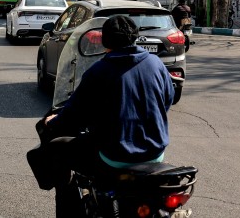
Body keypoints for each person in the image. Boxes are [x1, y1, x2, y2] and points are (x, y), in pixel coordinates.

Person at [30, 15, 175, 217]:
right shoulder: (156, 64)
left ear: (104, 41)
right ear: (135, 38)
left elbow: (74, 114)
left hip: (114, 156)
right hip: (155, 152)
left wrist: (55, 121)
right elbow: (167, 99)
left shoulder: (100, 70)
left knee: (55, 149)